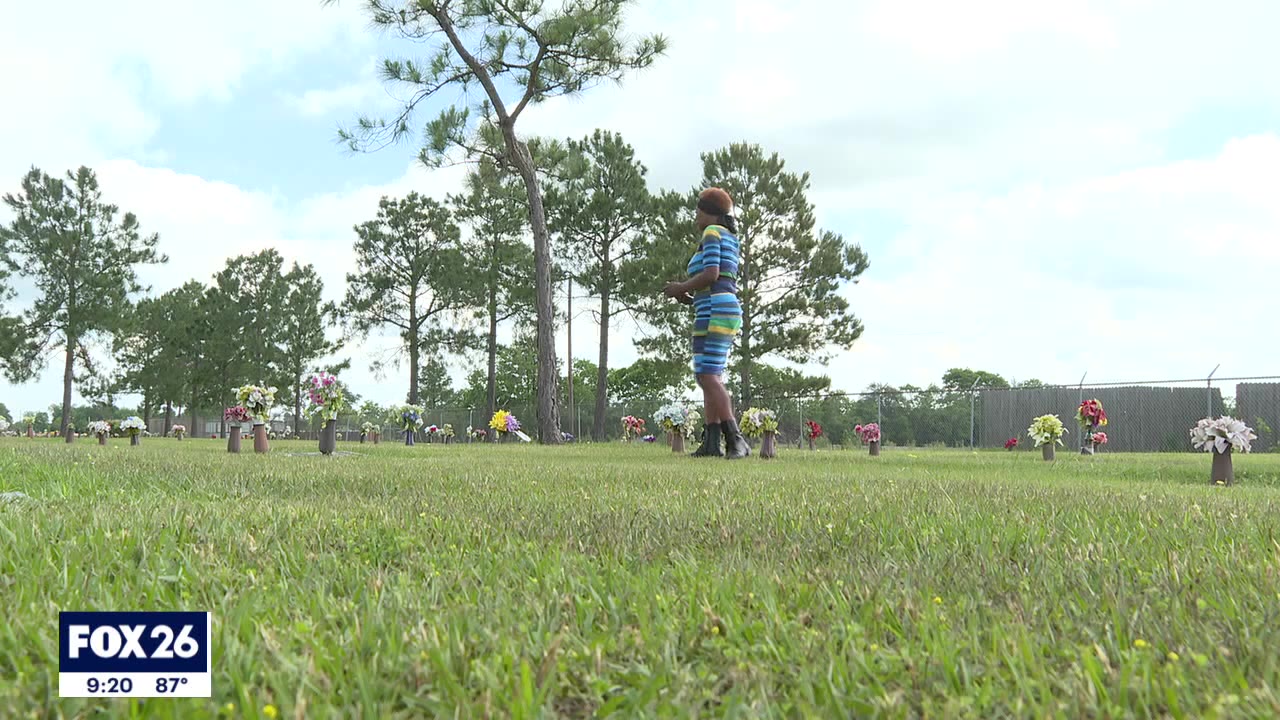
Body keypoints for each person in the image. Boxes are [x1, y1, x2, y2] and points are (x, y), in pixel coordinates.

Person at [663, 187, 749, 459]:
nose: (696, 216)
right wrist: (689, 297)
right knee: (708, 375)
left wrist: (679, 287)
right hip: (717, 306)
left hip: (715, 309)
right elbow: (721, 278)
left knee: (708, 376)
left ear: (710, 213)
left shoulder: (711, 233)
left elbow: (711, 274)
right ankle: (711, 442)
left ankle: (736, 440)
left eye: (698, 210)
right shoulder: (730, 237)